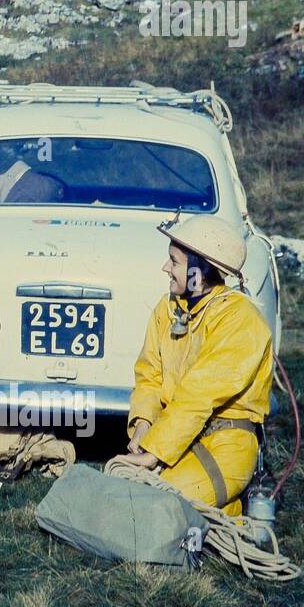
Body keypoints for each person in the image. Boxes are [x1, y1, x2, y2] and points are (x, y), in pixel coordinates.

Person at [117, 215, 271, 517]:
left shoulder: (240, 320)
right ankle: (225, 515)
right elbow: (149, 376)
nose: (165, 268)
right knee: (124, 493)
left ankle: (227, 520)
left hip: (226, 445)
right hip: (176, 438)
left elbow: (198, 395)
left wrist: (154, 453)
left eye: (174, 261)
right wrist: (142, 427)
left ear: (198, 273)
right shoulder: (167, 309)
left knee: (149, 507)